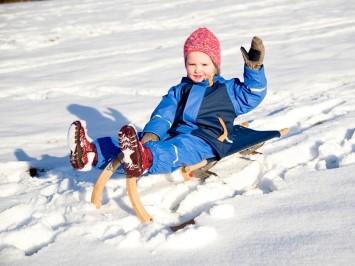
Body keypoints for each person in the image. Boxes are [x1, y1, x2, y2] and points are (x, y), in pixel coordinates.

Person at [68, 27, 266, 177]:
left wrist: (254, 70)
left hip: (208, 139)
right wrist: (152, 134)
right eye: (192, 64)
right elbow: (164, 114)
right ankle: (90, 152)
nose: (197, 69)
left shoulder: (228, 90)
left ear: (215, 65)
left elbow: (252, 94)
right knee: (136, 139)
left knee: (179, 148)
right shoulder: (179, 90)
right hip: (175, 132)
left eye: (204, 64)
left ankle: (145, 159)